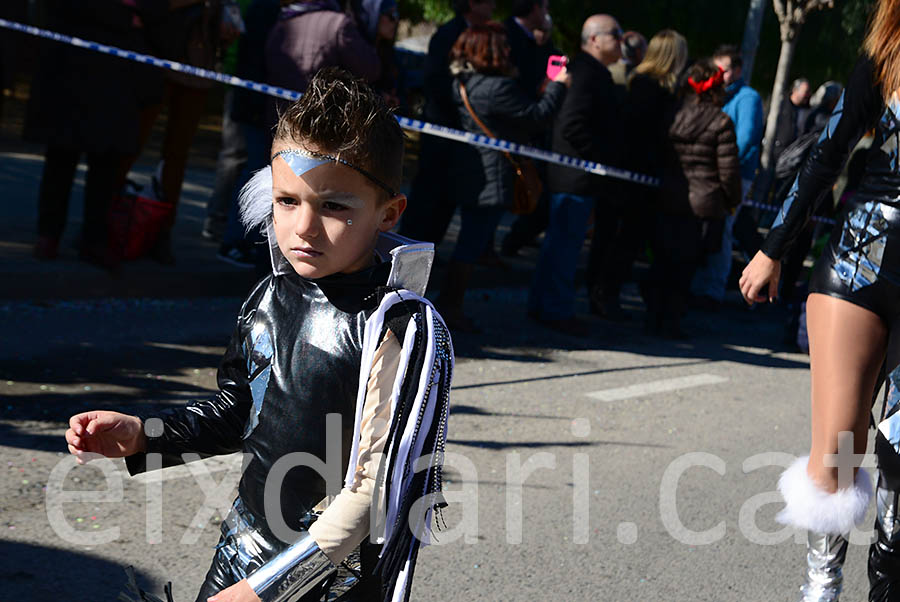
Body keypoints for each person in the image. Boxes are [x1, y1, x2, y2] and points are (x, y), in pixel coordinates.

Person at [64, 69, 453, 602]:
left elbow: (374, 491)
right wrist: (144, 435)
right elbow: (239, 410)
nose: (303, 227)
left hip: (330, 578)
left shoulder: (397, 325)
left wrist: (267, 590)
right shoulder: (269, 297)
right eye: (286, 201)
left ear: (389, 212)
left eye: (334, 206)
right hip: (241, 552)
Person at [740, 1, 900, 598]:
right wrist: (774, 248)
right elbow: (825, 156)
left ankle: (887, 580)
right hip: (858, 262)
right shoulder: (883, 58)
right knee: (838, 447)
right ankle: (820, 589)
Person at [438, 22, 568, 333]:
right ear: (492, 51)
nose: (510, 51)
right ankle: (451, 307)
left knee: (470, 241)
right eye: (504, 46)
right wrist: (557, 85)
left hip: (469, 171)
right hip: (492, 175)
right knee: (472, 242)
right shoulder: (498, 87)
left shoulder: (464, 82)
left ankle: (449, 304)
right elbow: (536, 117)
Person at [27, 0, 166, 271]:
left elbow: (158, 10)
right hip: (70, 68)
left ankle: (94, 239)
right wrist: (124, 16)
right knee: (61, 156)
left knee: (106, 162)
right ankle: (49, 233)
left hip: (116, 75)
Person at [527, 13, 622, 334]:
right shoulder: (587, 72)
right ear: (595, 38)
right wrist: (599, 158)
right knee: (565, 246)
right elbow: (572, 124)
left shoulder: (591, 71)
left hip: (573, 173)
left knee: (559, 244)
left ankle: (544, 305)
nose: (621, 41)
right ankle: (553, 309)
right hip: (575, 173)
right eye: (615, 34)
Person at [643, 59, 741, 338]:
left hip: (668, 197)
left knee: (662, 259)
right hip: (703, 205)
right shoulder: (720, 121)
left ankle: (653, 317)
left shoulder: (672, 113)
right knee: (684, 267)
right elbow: (728, 171)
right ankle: (671, 321)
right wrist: (731, 200)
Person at [596, 29, 686, 320]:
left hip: (636, 175)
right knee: (624, 240)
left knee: (625, 241)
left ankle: (607, 294)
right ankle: (605, 296)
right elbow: (642, 134)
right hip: (636, 177)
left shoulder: (644, 84)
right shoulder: (650, 88)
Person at [398, 0, 495, 246]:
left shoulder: (480, 32)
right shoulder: (449, 33)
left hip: (461, 131)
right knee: (429, 192)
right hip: (442, 127)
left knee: (447, 196)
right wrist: (464, 98)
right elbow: (434, 80)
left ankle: (431, 247)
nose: (493, 5)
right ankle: (408, 246)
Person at [691, 44, 763, 309]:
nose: (720, 75)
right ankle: (700, 283)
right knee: (708, 228)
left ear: (738, 70)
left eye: (726, 70)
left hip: (734, 175)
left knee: (723, 229)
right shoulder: (717, 93)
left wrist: (723, 167)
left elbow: (745, 139)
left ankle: (713, 289)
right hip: (711, 172)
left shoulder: (748, 98)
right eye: (717, 69)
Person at [773, 77, 811, 163]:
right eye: (805, 92)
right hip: (777, 152)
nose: (807, 95)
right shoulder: (781, 105)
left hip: (793, 156)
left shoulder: (807, 111)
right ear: (795, 90)